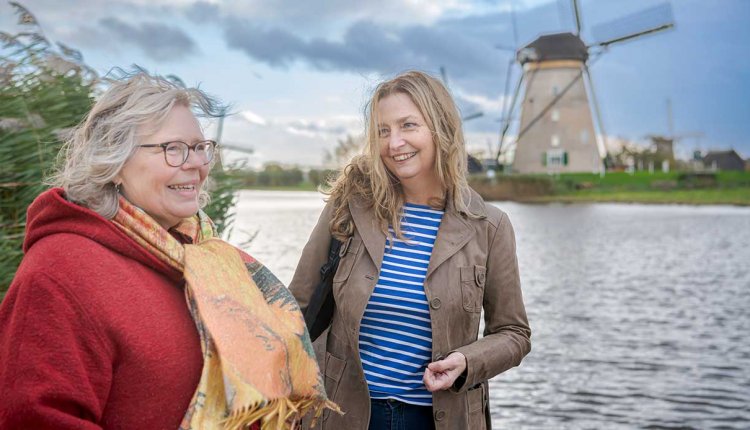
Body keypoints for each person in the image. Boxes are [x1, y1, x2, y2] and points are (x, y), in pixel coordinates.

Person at [0, 72, 336, 429]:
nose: (195, 164)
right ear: (113, 162)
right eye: (172, 149)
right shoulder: (61, 271)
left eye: (199, 147)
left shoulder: (206, 256)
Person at [289, 70, 531, 430]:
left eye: (408, 126)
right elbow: (296, 308)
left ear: (440, 128)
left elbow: (513, 334)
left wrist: (467, 360)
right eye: (383, 131)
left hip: (439, 419)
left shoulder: (489, 227)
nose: (394, 143)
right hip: (342, 415)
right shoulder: (349, 208)